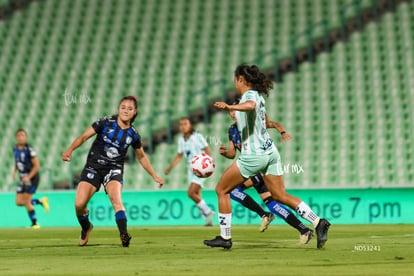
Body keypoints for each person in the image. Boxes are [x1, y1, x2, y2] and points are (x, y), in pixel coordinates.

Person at [204, 64, 330, 249]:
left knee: (222, 190)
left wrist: (229, 106)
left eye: (235, 79)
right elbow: (262, 120)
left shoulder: (250, 97)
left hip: (254, 156)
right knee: (280, 195)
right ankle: (318, 222)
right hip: (270, 153)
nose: (234, 83)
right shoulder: (259, 97)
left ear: (240, 79)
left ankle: (225, 237)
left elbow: (250, 105)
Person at [61, 96, 164, 247]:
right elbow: (84, 136)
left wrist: (154, 176)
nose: (125, 110)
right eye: (123, 107)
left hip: (113, 169)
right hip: (93, 167)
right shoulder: (105, 122)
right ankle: (86, 227)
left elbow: (141, 156)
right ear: (118, 108)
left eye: (130, 108)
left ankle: (123, 234)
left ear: (135, 112)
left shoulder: (133, 134)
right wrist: (69, 150)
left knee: (116, 200)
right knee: (79, 205)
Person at [220, 106, 314, 243]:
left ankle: (265, 214)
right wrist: (225, 153)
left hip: (259, 166)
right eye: (231, 111)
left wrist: (283, 132)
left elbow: (273, 123)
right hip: (251, 168)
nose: (233, 114)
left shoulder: (252, 125)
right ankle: (304, 229)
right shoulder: (232, 130)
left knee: (232, 190)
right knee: (271, 203)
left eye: (235, 111)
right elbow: (232, 153)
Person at [165, 117, 215, 226]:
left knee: (191, 193)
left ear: (190, 125)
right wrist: (170, 168)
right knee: (197, 194)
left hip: (200, 168)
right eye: (181, 124)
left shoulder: (197, 136)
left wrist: (207, 164)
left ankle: (208, 212)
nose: (183, 126)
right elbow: (179, 155)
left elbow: (207, 150)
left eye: (185, 124)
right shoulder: (181, 139)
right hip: (190, 169)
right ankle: (207, 219)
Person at [13, 129, 49, 228]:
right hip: (23, 178)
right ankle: (41, 201)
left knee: (26, 201)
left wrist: (28, 177)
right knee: (19, 202)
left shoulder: (29, 149)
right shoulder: (15, 148)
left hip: (32, 178)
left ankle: (35, 223)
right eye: (19, 135)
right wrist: (14, 172)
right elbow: (17, 161)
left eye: (22, 135)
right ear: (16, 137)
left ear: (26, 137)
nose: (20, 137)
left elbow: (37, 166)